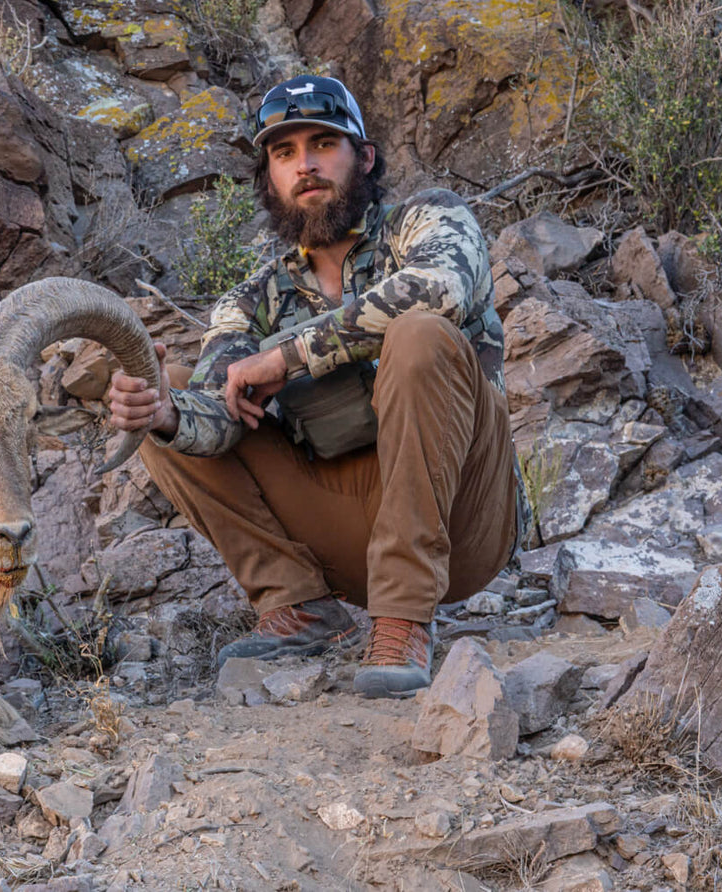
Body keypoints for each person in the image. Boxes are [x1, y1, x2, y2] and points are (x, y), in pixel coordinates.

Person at [105, 75, 525, 700]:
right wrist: (165, 415)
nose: (305, 164)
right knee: (164, 394)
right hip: (345, 522)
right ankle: (300, 609)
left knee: (419, 335)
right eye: (284, 153)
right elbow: (218, 417)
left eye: (324, 143)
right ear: (269, 177)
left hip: (467, 517)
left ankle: (404, 617)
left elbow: (442, 289)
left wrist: (289, 358)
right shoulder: (249, 299)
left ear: (365, 156)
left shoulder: (428, 220)